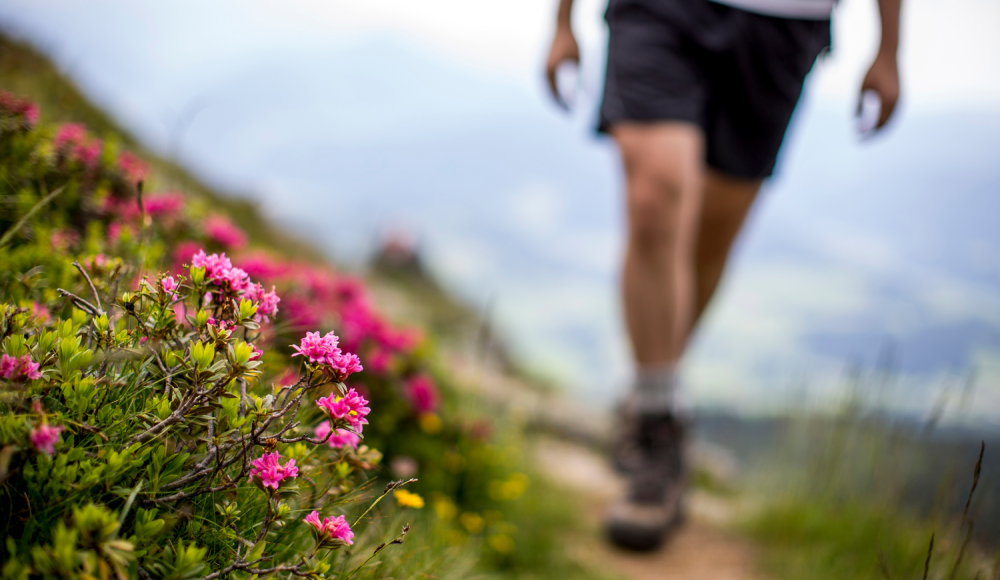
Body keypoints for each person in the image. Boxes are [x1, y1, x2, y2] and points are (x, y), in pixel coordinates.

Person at [545, 0, 901, 551]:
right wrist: (562, 20)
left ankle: (646, 395)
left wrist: (890, 46)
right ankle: (659, 426)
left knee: (710, 240)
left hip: (782, 23)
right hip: (658, 12)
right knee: (657, 198)